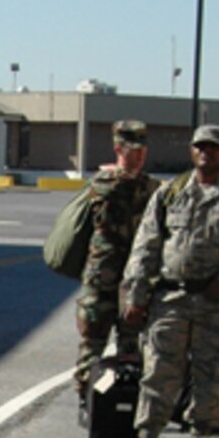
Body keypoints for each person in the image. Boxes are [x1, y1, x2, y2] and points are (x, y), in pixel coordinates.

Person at [117, 123, 219, 438]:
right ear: (191, 151)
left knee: (212, 378)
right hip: (172, 299)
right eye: (199, 147)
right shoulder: (172, 192)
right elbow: (146, 245)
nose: (205, 153)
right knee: (158, 372)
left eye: (213, 148)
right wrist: (136, 294)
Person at [72, 120, 159, 403]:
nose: (140, 155)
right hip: (102, 279)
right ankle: (89, 400)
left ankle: (123, 402)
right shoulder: (107, 184)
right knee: (92, 345)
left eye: (143, 149)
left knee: (130, 346)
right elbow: (119, 187)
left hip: (133, 281)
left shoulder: (146, 187)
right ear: (118, 148)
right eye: (133, 149)